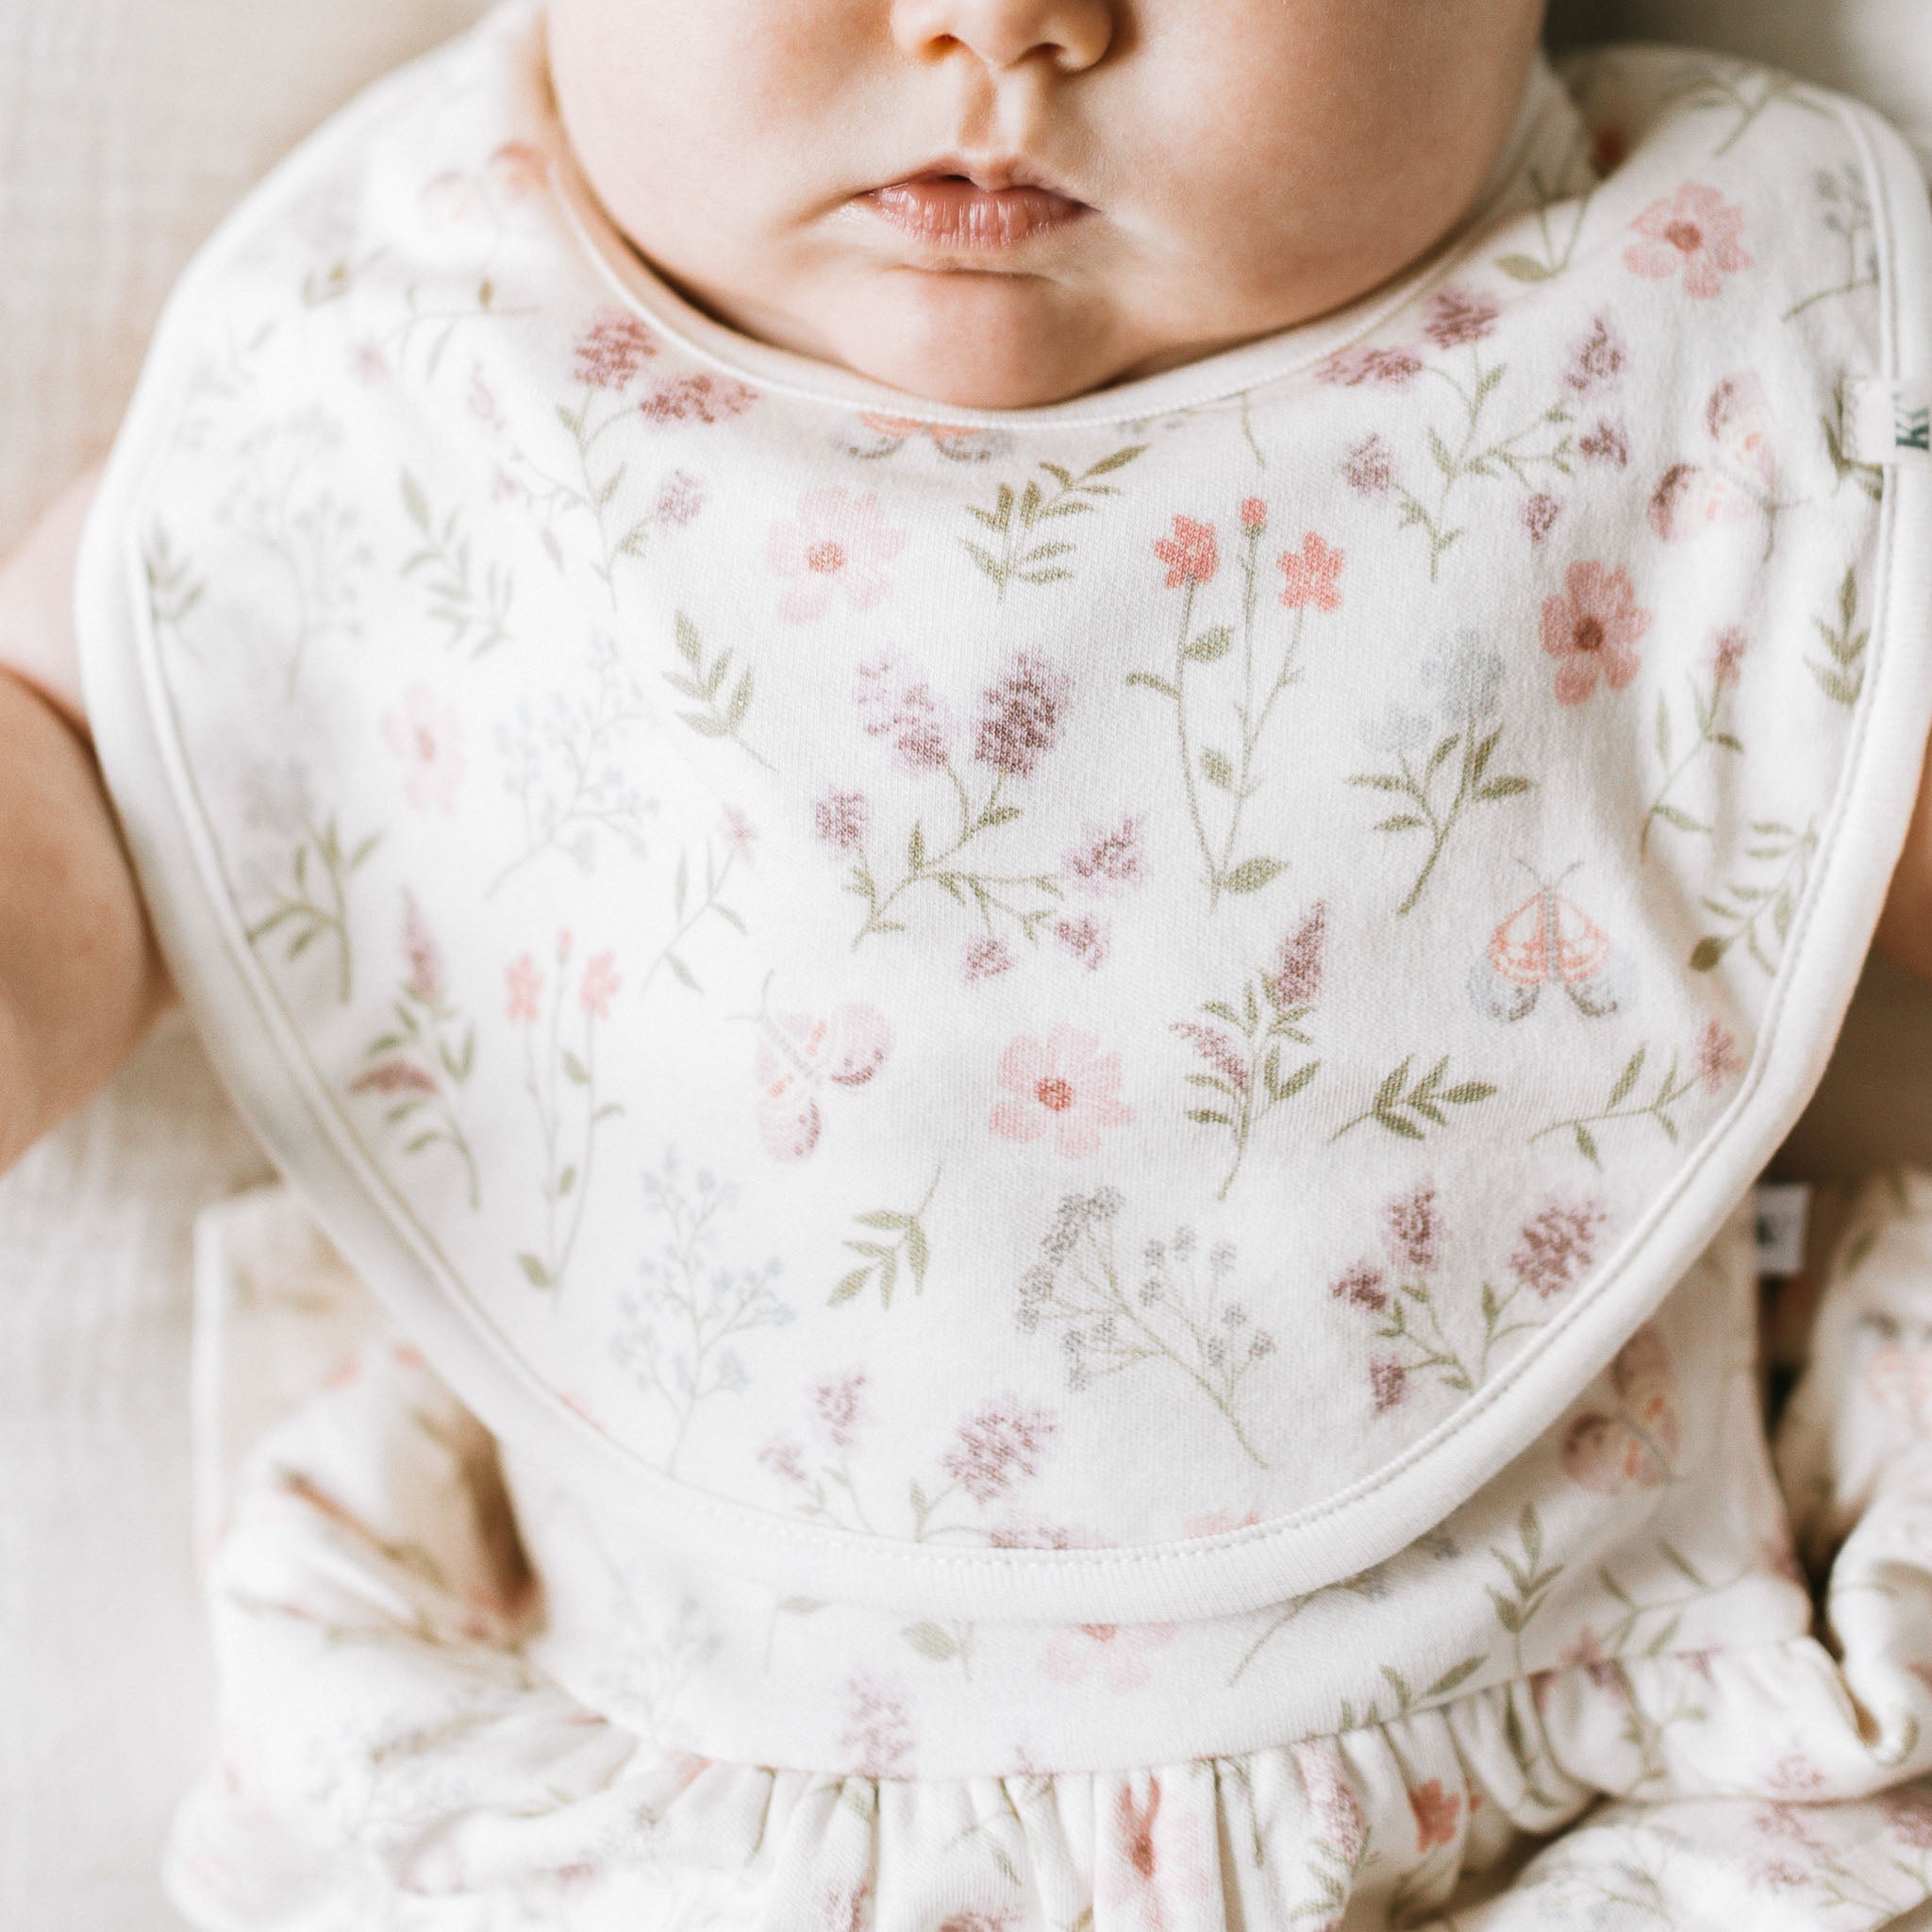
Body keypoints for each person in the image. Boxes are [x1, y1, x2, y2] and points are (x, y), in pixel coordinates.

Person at [9, 0, 1932, 1921]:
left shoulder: (1672, 341)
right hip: (672, 1834)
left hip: (1599, 1788)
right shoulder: (423, 364)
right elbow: (97, 739)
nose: (1001, 24)